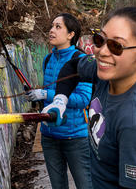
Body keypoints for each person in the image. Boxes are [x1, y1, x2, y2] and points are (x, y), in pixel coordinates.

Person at [42, 7, 136, 189]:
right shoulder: (108, 71)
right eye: (100, 40)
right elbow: (73, 65)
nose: (102, 52)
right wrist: (60, 100)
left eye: (117, 46)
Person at [25, 13, 93, 189]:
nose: (51, 30)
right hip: (49, 136)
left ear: (71, 34)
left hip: (75, 137)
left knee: (85, 184)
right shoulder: (48, 59)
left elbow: (84, 99)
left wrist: (46, 94)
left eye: (58, 27)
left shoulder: (81, 61)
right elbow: (49, 95)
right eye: (51, 26)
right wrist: (36, 95)